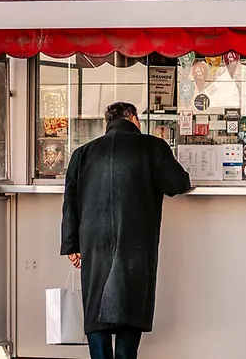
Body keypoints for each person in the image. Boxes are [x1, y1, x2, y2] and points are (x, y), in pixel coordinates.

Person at [61, 102, 193, 359]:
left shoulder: (83, 153)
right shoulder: (152, 146)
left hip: (93, 242)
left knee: (96, 308)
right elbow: (177, 183)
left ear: (107, 123)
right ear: (133, 119)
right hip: (135, 241)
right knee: (130, 306)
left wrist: (72, 245)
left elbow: (70, 202)